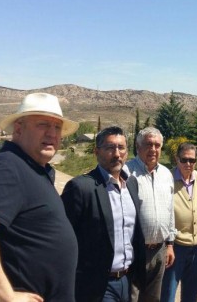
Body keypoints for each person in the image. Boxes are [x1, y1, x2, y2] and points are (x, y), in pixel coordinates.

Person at [0, 93, 80, 301]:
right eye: (43, 124)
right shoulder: (7, 166)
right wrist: (8, 297)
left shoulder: (32, 167)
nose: (52, 133)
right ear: (18, 128)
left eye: (57, 127)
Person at [61, 126, 146, 302]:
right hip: (97, 284)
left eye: (121, 148)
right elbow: (63, 240)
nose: (117, 154)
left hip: (127, 280)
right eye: (110, 148)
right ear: (96, 152)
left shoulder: (131, 184)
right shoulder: (81, 188)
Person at [125, 127, 176, 302]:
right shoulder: (126, 172)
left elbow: (170, 211)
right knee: (132, 297)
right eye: (148, 144)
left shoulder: (166, 174)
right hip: (135, 251)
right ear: (138, 148)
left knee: (153, 299)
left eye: (157, 145)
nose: (153, 149)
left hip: (159, 251)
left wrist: (170, 243)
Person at [161, 143, 197, 302]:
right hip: (175, 246)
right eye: (184, 160)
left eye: (192, 160)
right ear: (177, 159)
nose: (188, 164)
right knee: (167, 293)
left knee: (192, 293)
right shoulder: (166, 180)